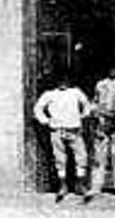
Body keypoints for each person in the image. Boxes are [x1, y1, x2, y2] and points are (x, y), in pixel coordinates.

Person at [33, 73, 93, 202]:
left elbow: (87, 104)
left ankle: (80, 184)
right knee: (59, 158)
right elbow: (38, 108)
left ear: (69, 80)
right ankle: (62, 186)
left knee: (81, 156)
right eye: (60, 80)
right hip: (57, 130)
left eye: (65, 80)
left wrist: (83, 115)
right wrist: (45, 120)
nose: (63, 83)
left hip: (74, 129)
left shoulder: (76, 92)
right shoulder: (49, 94)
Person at [91, 65, 115, 198]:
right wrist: (97, 113)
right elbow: (95, 102)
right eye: (110, 67)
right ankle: (96, 187)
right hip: (102, 122)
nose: (112, 69)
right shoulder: (101, 84)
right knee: (99, 156)